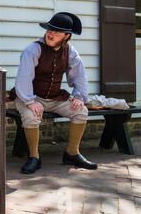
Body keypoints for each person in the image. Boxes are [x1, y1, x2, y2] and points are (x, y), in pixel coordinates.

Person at [9, 12, 98, 174]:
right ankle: (34, 157)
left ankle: (72, 153)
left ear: (67, 36)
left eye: (57, 32)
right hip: (29, 97)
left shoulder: (70, 51)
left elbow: (79, 75)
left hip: (55, 98)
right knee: (31, 115)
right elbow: (24, 78)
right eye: (50, 30)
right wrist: (30, 101)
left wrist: (79, 96)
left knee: (81, 111)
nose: (51, 34)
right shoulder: (33, 49)